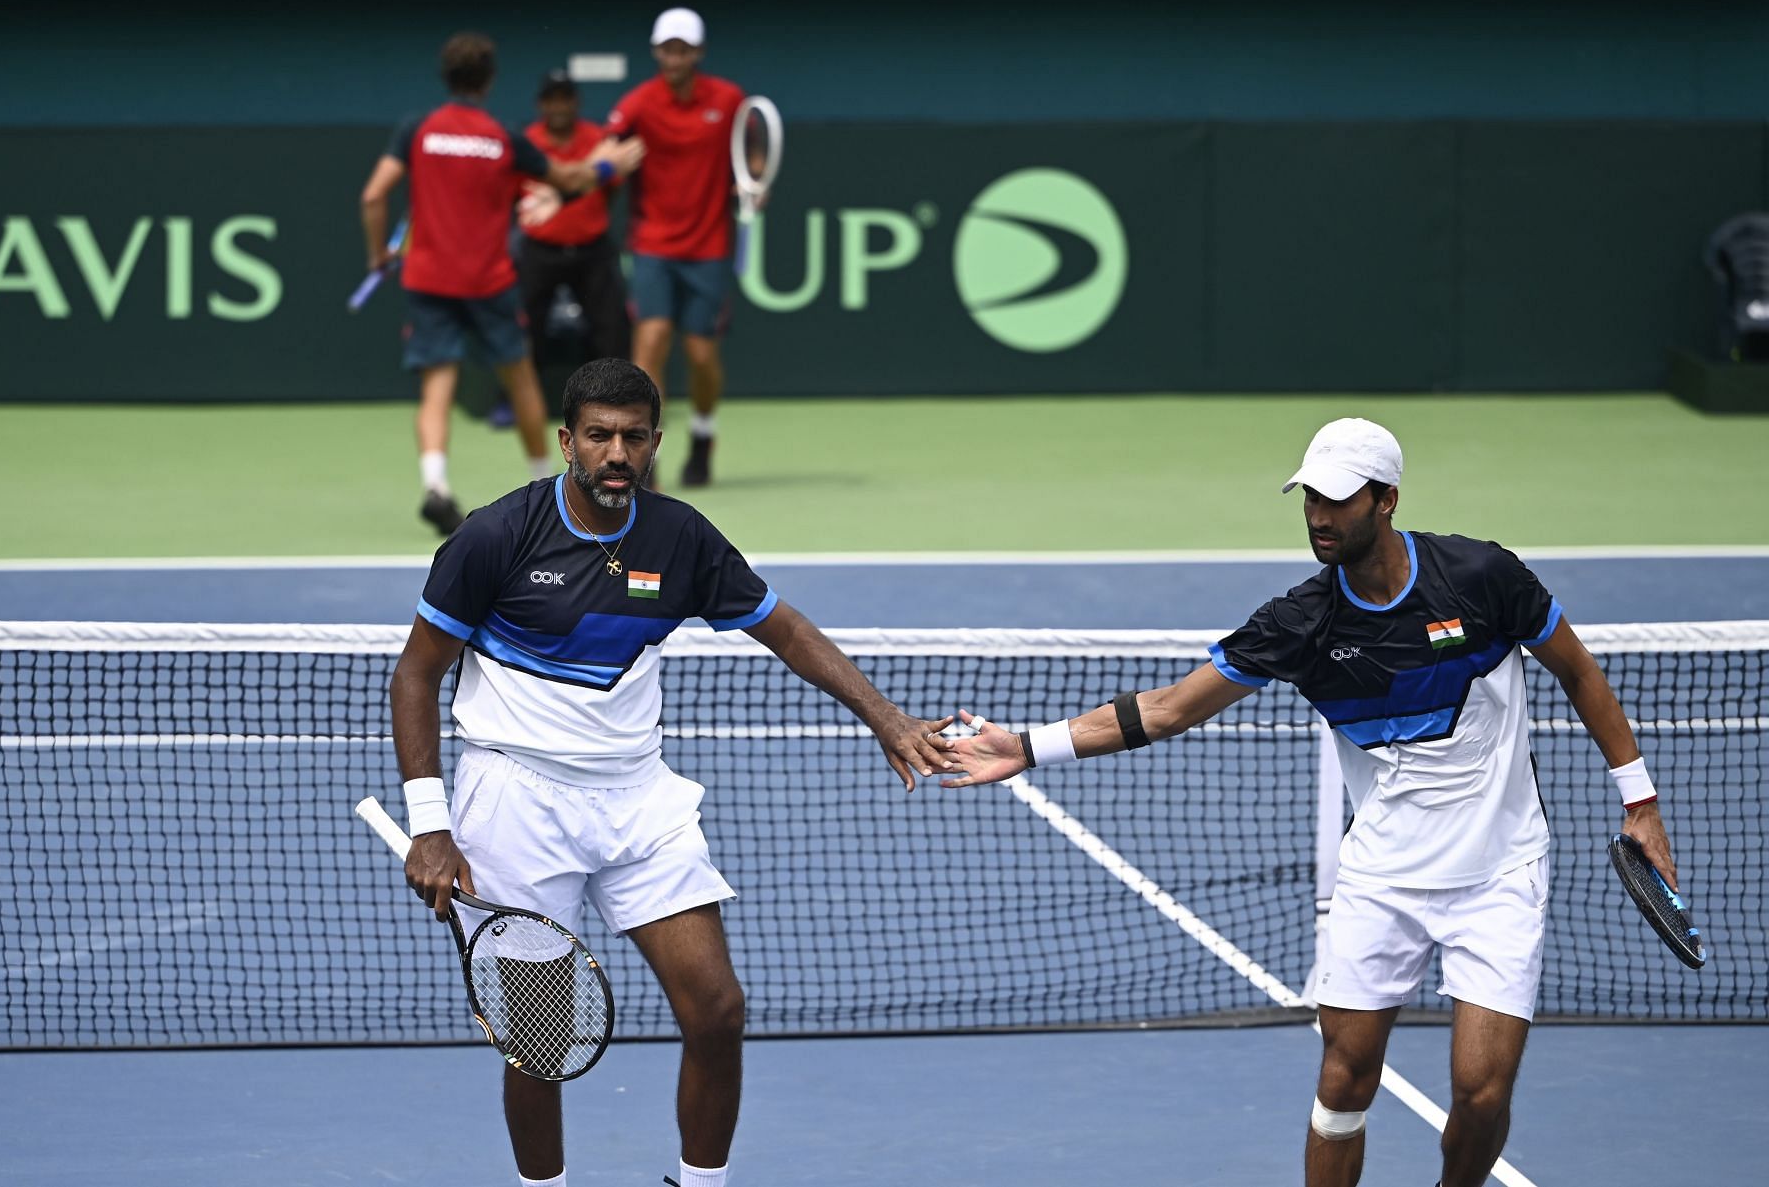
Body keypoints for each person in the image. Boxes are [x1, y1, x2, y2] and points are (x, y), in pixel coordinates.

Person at [935, 417, 1681, 1187]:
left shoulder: (1482, 578)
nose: (1319, 516)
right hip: (1381, 880)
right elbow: (1168, 709)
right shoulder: (1302, 623)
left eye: (1337, 499)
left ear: (1386, 499)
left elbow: (1580, 672)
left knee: (1483, 1092)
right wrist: (1026, 745)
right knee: (1344, 1082)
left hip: (1499, 874)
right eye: (1309, 499)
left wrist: (1641, 800)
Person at [387, 358, 949, 1187]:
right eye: (600, 436)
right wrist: (431, 822)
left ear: (655, 442)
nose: (618, 452)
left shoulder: (680, 537)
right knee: (540, 1036)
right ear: (569, 441)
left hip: (638, 797)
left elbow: (784, 628)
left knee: (718, 1009)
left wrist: (885, 715)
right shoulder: (496, 536)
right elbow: (415, 673)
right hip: (515, 796)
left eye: (635, 436)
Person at [359, 32, 643, 536]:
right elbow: (571, 181)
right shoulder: (504, 139)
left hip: (429, 278)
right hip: (487, 280)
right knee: (521, 378)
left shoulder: (417, 130)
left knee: (437, 384)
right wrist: (608, 164)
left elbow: (374, 195)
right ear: (488, 80)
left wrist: (379, 252)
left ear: (447, 77)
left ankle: (436, 485)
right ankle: (547, 486)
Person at [606, 7, 747, 487]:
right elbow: (606, 151)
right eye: (667, 49)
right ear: (656, 52)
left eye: (683, 49)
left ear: (698, 53)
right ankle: (645, 456)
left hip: (708, 245)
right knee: (650, 344)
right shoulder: (639, 104)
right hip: (652, 244)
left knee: (702, 355)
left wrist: (753, 181)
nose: (675, 57)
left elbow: (753, 151)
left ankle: (704, 437)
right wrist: (608, 164)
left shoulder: (729, 101)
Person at [517, 69, 632, 371]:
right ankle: (512, 400)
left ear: (576, 102)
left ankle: (616, 399)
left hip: (592, 249)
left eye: (565, 99)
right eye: (551, 100)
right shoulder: (527, 142)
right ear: (540, 105)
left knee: (611, 328)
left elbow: (611, 191)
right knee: (524, 326)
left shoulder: (597, 138)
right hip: (539, 250)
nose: (558, 107)